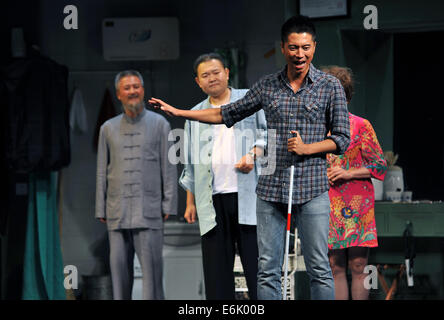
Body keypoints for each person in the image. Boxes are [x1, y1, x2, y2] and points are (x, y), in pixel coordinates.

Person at [149, 15, 350, 300]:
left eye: (305, 47)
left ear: (314, 47)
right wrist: (181, 113)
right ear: (283, 48)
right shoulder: (267, 86)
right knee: (267, 269)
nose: (300, 54)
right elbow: (224, 114)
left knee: (318, 267)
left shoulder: (330, 87)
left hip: (313, 189)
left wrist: (308, 148)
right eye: (294, 47)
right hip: (270, 191)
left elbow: (342, 139)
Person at [179, 53, 267, 300]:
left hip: (249, 197)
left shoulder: (250, 99)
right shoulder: (195, 114)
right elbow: (191, 162)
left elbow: (270, 133)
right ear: (198, 82)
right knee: (217, 274)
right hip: (212, 200)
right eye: (205, 75)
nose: (212, 78)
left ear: (227, 73)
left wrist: (253, 153)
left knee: (257, 269)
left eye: (216, 72)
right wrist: (190, 202)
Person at [95, 70, 177, 300]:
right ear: (119, 94)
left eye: (136, 87)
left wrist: (168, 204)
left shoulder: (161, 124)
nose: (132, 91)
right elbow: (102, 169)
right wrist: (100, 208)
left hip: (148, 209)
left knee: (152, 276)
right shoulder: (107, 128)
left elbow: (169, 168)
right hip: (116, 210)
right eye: (126, 88)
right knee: (119, 276)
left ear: (142, 90)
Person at [321, 65, 387, 300]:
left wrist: (348, 173)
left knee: (359, 265)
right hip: (327, 201)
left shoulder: (361, 125)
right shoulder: (316, 128)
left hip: (358, 203)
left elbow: (379, 165)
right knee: (334, 265)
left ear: (345, 96)